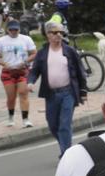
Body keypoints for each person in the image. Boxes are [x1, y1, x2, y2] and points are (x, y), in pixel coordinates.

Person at [32, 23, 90, 155]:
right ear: (48, 35)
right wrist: (30, 82)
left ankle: (66, 153)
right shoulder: (42, 53)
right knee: (53, 125)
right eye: (55, 32)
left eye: (61, 32)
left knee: (64, 124)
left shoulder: (69, 51)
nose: (59, 35)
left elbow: (81, 72)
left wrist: (83, 91)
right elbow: (35, 71)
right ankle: (67, 147)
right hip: (51, 94)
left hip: (68, 92)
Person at [0, 17, 37, 129]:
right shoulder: (1, 41)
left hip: (22, 70)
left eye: (16, 30)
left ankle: (25, 119)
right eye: (11, 30)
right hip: (8, 72)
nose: (14, 32)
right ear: (7, 30)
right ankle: (11, 117)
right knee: (11, 97)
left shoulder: (26, 39)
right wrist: (3, 63)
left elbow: (33, 53)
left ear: (19, 29)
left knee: (23, 93)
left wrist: (25, 62)